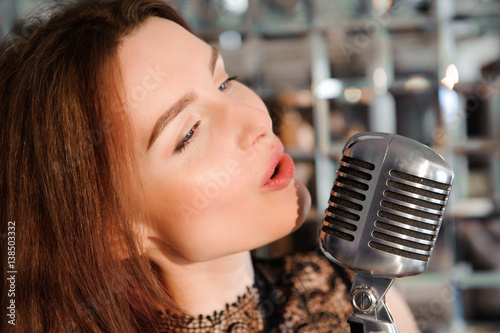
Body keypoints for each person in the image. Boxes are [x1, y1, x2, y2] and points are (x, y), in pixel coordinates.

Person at [0, 1, 420, 332]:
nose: (257, 120)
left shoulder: (354, 299)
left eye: (224, 81)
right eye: (189, 133)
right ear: (110, 232)